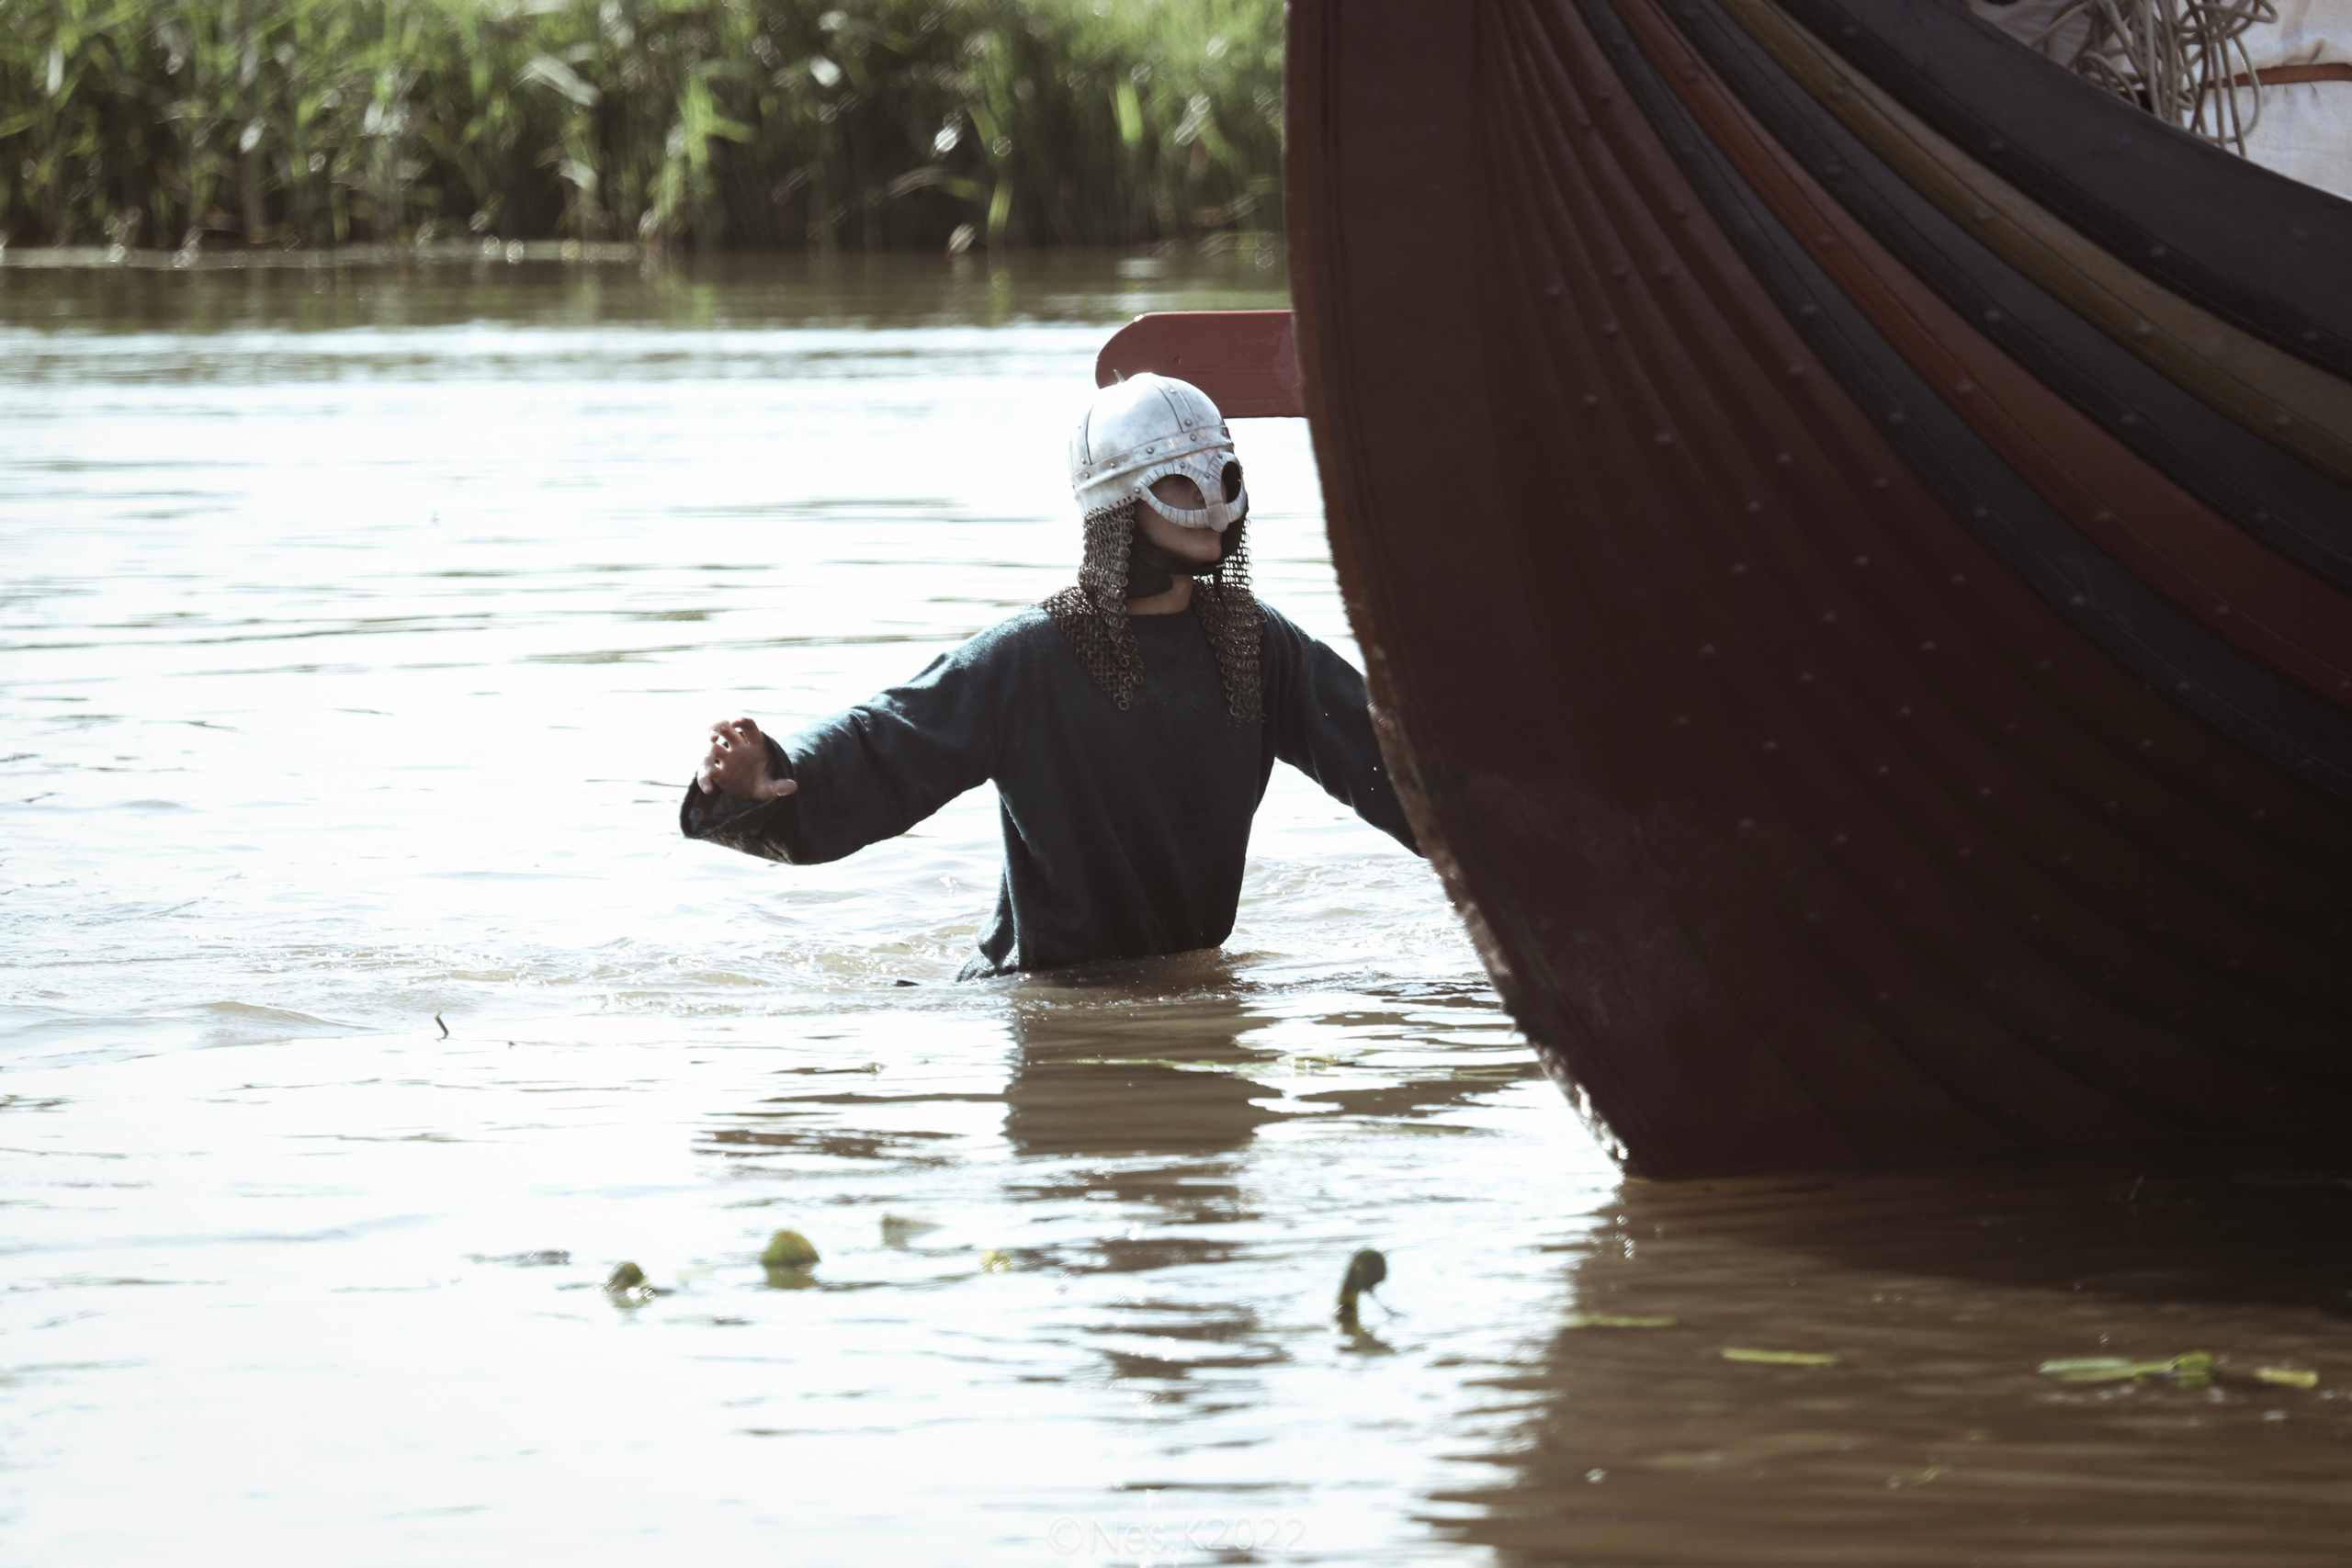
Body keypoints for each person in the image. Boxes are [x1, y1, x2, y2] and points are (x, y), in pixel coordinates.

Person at [681, 372, 1419, 980]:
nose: (1210, 500)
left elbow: (1387, 757)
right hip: (1041, 992)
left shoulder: (1255, 643)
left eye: (1222, 475)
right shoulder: (1034, 656)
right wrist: (771, 774)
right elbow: (893, 737)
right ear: (1118, 501)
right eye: (1179, 483)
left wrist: (1484, 813)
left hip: (1185, 983)